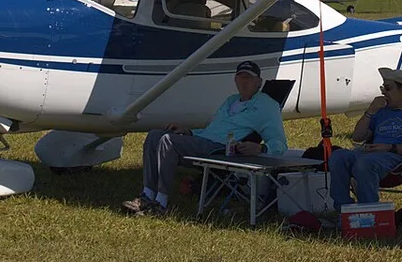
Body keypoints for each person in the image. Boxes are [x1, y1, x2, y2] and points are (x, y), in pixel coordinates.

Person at [122, 60, 288, 216]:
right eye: (240, 77)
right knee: (154, 135)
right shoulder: (231, 100)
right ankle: (147, 195)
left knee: (168, 140)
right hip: (205, 142)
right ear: (235, 80)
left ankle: (161, 203)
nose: (244, 82)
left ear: (259, 82)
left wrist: (261, 148)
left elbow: (280, 143)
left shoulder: (267, 106)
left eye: (249, 78)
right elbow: (212, 131)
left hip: (222, 150)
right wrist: (188, 132)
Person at [330, 67, 402, 210]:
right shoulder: (381, 111)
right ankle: (343, 210)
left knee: (365, 163)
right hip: (372, 152)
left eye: (388, 88)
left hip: (397, 157)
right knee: (338, 156)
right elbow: (358, 137)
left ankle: (369, 211)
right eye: (382, 87)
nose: (383, 92)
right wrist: (370, 111)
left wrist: (389, 147)